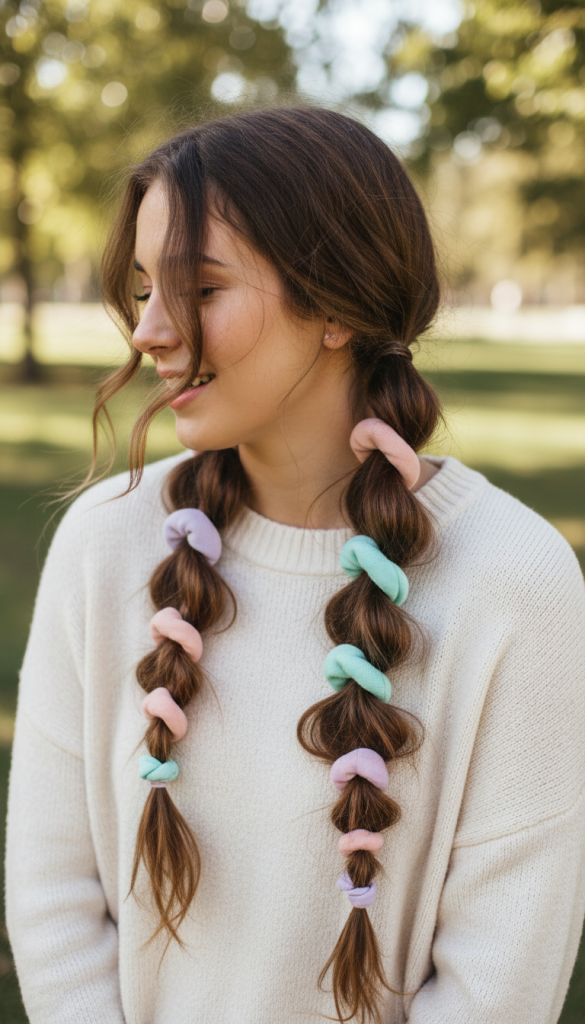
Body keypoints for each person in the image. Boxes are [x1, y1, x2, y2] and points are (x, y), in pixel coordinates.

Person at [5, 106, 585, 1024]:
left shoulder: (514, 580)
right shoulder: (103, 541)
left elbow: (499, 975)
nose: (148, 331)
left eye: (199, 289)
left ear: (335, 307)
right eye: (144, 289)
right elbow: (52, 898)